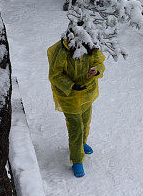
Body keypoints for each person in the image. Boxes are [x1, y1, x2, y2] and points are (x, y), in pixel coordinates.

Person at [47, 27, 105, 178]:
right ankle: (77, 160)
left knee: (85, 121)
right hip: (69, 96)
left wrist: (96, 70)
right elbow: (55, 75)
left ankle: (81, 143)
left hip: (87, 92)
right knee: (76, 127)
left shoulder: (89, 44)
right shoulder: (62, 50)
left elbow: (99, 61)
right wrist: (72, 86)